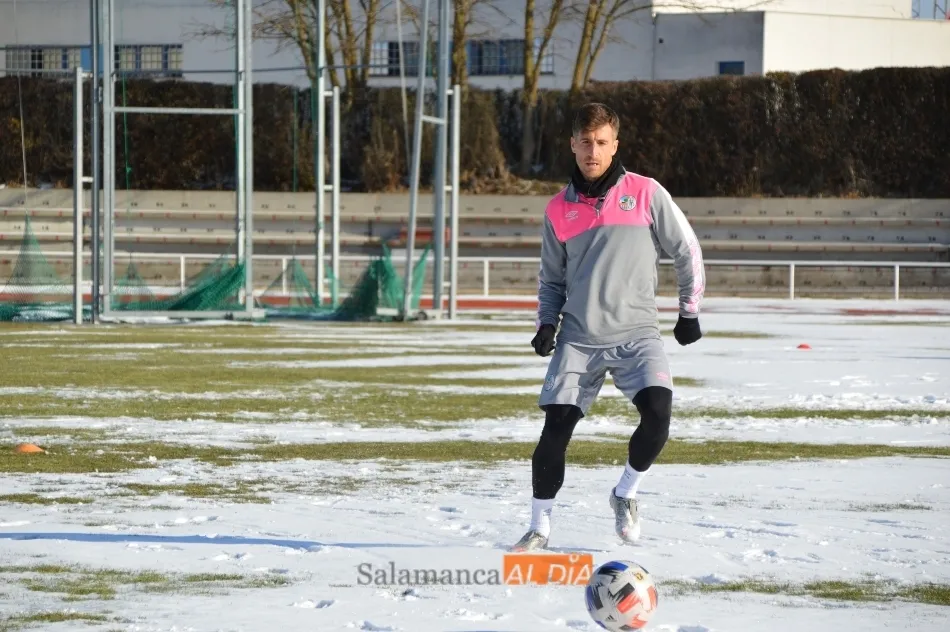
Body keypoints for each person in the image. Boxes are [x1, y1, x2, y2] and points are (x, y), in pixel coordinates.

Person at [511, 102, 705, 552]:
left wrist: (689, 310)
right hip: (579, 339)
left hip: (638, 335)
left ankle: (625, 492)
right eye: (585, 142)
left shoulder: (646, 193)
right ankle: (538, 528)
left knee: (658, 416)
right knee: (555, 431)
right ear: (572, 145)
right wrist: (546, 323)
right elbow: (550, 279)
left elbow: (687, 248)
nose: (592, 151)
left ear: (615, 145)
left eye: (601, 142)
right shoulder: (557, 209)